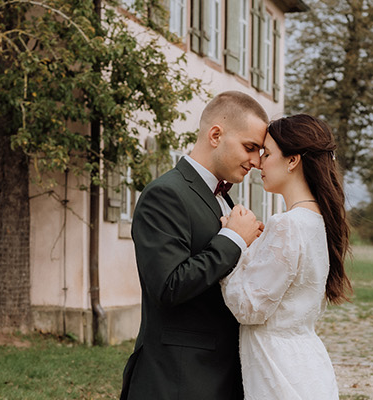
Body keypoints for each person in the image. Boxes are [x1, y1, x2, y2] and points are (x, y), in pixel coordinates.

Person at [120, 91, 269, 399]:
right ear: (216, 134)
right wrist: (234, 239)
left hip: (222, 375)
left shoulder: (224, 198)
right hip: (180, 379)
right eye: (250, 147)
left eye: (260, 151)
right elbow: (168, 286)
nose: (256, 161)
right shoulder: (165, 194)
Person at [221, 114, 351, 399]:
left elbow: (248, 308)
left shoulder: (288, 224)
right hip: (307, 363)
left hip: (278, 369)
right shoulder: (318, 221)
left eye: (267, 153)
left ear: (293, 160)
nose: (259, 163)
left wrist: (233, 241)